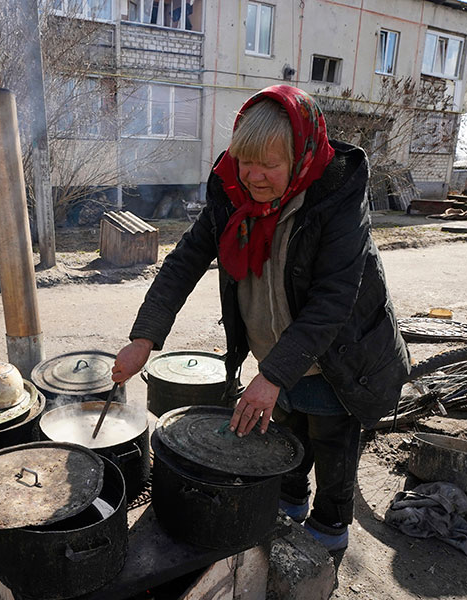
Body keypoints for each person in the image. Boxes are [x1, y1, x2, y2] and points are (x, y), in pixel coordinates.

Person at [112, 85, 410, 570]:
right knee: (285, 437)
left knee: (333, 448)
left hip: (340, 358)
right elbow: (184, 262)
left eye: (268, 164)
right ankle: (288, 508)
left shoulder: (336, 197)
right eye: (244, 162)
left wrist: (271, 376)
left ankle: (329, 536)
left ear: (300, 154)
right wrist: (143, 338)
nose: (253, 177)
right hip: (277, 357)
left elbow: (334, 301)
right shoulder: (231, 192)